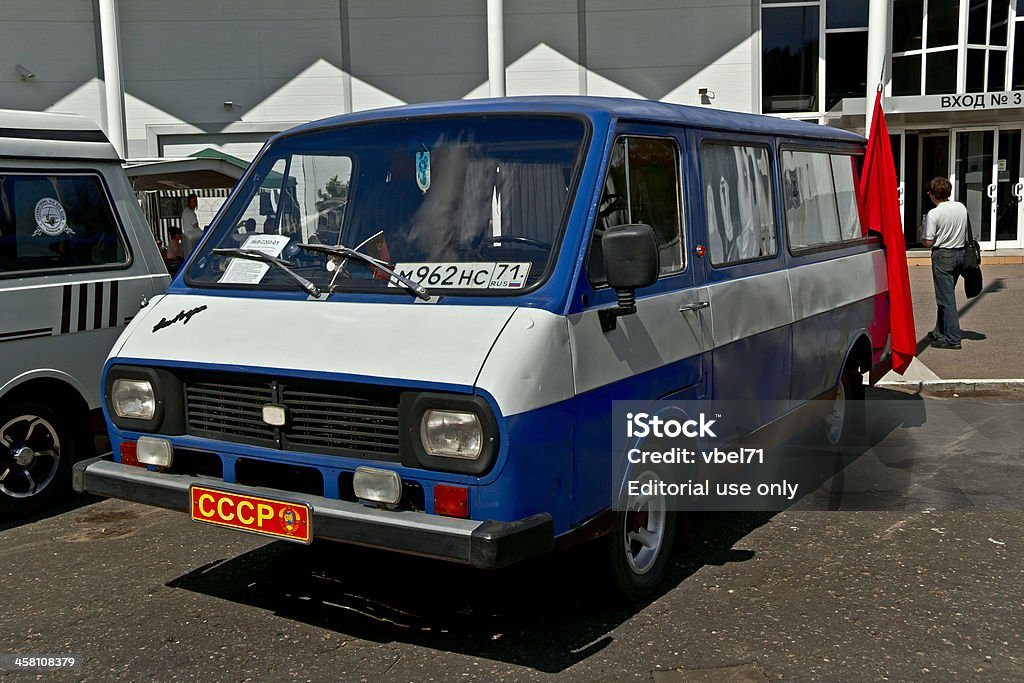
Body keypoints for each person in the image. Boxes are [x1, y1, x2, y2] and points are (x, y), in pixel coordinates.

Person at [921, 177, 969, 350]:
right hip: (960, 254)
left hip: (943, 255)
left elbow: (927, 242)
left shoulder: (934, 213)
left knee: (946, 299)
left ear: (934, 195)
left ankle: (952, 338)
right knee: (945, 295)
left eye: (929, 192)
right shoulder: (960, 207)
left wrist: (922, 232)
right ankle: (939, 331)